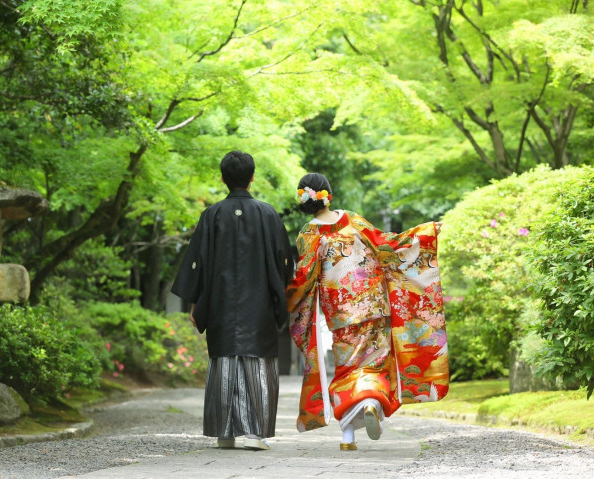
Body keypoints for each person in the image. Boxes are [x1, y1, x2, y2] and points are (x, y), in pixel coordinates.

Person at [285, 173, 448, 450]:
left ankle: (348, 436)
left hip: (341, 315)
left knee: (347, 369)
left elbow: (304, 278)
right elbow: (386, 244)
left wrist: (286, 297)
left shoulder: (308, 234)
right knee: (375, 363)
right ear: (328, 194)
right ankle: (372, 401)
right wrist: (426, 233)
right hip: (374, 305)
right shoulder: (351, 219)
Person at [171, 151, 294, 451]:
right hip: (260, 301)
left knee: (224, 359)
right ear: (252, 178)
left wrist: (195, 304)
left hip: (221, 302)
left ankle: (224, 432)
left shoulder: (211, 214)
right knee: (258, 362)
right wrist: (284, 297)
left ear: (223, 178)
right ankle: (255, 433)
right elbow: (284, 263)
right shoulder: (268, 214)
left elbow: (196, 263)